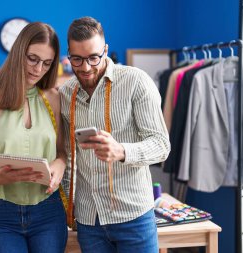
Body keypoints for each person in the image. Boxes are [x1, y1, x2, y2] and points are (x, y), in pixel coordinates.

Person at [59, 17, 170, 253]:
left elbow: (161, 145)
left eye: (93, 58)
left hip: (134, 217)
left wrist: (122, 151)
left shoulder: (136, 81)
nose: (86, 67)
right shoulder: (66, 92)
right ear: (68, 53)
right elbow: (68, 157)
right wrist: (68, 208)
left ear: (105, 50)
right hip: (89, 220)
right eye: (77, 59)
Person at [0, 22, 67, 253]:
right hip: (3, 215)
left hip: (49, 212)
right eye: (32, 58)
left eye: (47, 63)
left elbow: (62, 152)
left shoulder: (54, 98)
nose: (38, 69)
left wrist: (59, 165)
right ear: (18, 51)